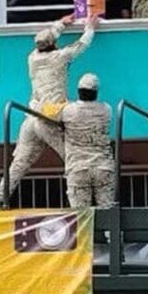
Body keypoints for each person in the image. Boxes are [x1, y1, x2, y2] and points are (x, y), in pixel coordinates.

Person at [0, 14, 96, 209]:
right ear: (53, 45)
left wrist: (60, 24)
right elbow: (81, 45)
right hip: (49, 118)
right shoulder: (59, 57)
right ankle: (80, 206)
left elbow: (46, 39)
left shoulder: (32, 58)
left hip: (31, 118)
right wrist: (90, 26)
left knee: (19, 164)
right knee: (73, 159)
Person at [59, 73, 114, 208]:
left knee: (81, 216)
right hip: (103, 167)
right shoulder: (107, 109)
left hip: (78, 167)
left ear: (78, 91)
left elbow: (54, 119)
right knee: (107, 213)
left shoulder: (68, 110)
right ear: (96, 93)